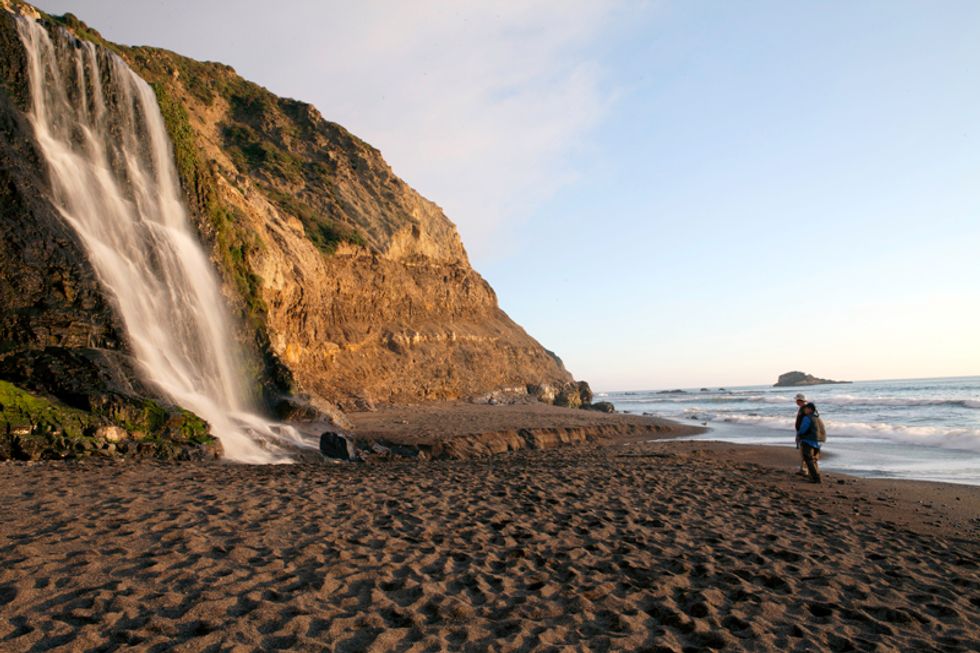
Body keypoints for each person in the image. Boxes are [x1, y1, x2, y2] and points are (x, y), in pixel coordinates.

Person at [796, 402, 822, 483]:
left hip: (808, 441)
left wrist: (799, 435)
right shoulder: (816, 418)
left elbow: (803, 428)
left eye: (806, 409)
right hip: (817, 441)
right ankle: (815, 476)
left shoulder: (807, 418)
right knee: (813, 460)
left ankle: (816, 478)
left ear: (810, 409)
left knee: (808, 460)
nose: (805, 410)